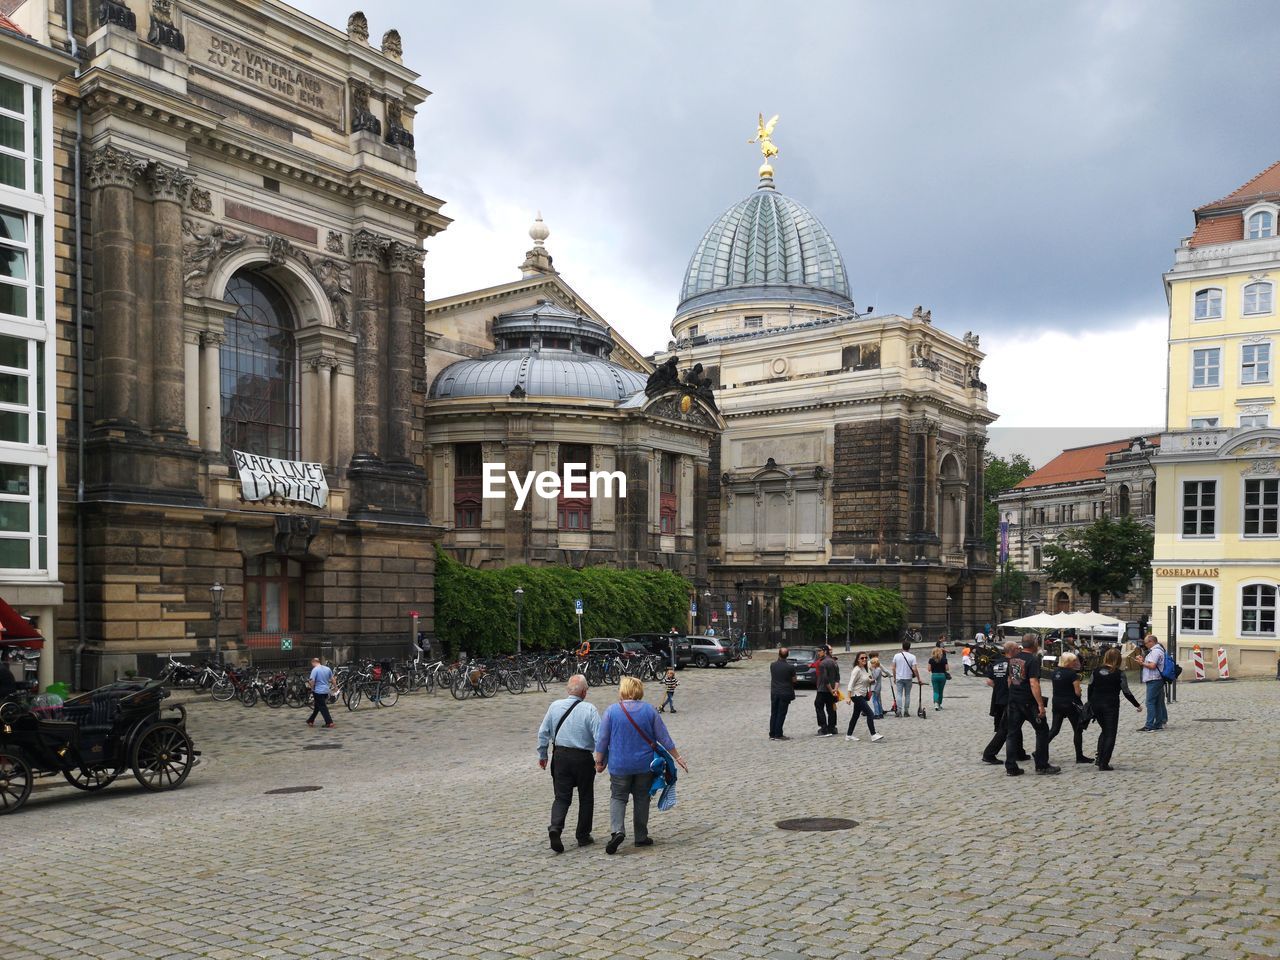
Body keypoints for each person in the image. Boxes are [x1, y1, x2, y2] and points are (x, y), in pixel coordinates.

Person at [594, 677, 686, 854]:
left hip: (619, 765)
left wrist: (599, 761)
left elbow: (602, 739)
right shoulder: (649, 710)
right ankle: (641, 837)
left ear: (623, 690)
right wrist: (678, 757)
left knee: (618, 797)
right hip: (644, 765)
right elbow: (663, 737)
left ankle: (617, 831)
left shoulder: (612, 711)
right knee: (642, 798)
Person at [537, 675, 601, 852]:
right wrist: (601, 759)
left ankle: (556, 827)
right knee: (586, 797)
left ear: (567, 690)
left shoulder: (554, 706)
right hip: (583, 758)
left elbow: (543, 732)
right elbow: (600, 737)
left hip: (560, 756)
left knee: (561, 797)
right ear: (584, 692)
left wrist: (542, 755)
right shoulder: (590, 710)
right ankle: (583, 836)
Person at [1004, 634, 1059, 776]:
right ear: (1034, 644)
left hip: (1014, 700)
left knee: (1012, 733)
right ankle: (1041, 765)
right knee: (1042, 730)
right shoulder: (1033, 660)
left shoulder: (1013, 659)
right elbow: (1034, 683)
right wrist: (1040, 704)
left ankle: (1011, 766)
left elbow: (1011, 680)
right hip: (1028, 701)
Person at [1087, 647, 1143, 770]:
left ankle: (1099, 758)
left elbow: (1090, 687)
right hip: (1110, 706)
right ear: (1118, 660)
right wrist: (1137, 705)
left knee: (1104, 731)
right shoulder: (1119, 674)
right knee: (1110, 734)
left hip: (1096, 704)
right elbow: (1126, 692)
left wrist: (1090, 702)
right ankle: (1104, 763)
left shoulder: (1096, 671)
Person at [982, 640, 1030, 765]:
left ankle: (1020, 752)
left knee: (1015, 726)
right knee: (1005, 729)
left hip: (999, 698)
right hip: (1012, 699)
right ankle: (989, 753)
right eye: (1018, 649)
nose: (1019, 651)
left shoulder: (997, 663)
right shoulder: (1015, 664)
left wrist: (998, 688)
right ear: (1013, 650)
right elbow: (1015, 682)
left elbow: (988, 681)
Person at [1046, 652, 1092, 764]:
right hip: (1070, 704)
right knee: (1077, 729)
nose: (1075, 663)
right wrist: (1079, 692)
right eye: (1074, 661)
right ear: (1068, 662)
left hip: (1057, 702)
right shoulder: (1072, 674)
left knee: (1054, 729)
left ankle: (1039, 749)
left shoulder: (1055, 672)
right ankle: (1079, 756)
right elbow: (1077, 692)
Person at [844, 652, 885, 742]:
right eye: (862, 658)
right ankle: (873, 734)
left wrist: (871, 681)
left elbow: (864, 680)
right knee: (870, 713)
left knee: (855, 715)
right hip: (856, 695)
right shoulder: (856, 670)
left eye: (865, 658)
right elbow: (851, 683)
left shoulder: (864, 669)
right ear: (858, 660)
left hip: (861, 695)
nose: (864, 659)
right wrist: (848, 697)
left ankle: (848, 735)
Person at [1138, 634, 1169, 732]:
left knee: (1150, 702)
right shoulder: (1159, 650)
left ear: (1151, 642)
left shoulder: (1155, 651)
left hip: (1154, 679)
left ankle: (1149, 725)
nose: (1145, 645)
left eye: (1146, 643)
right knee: (1158, 702)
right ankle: (1158, 724)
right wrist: (1143, 661)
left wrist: (1142, 663)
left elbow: (1152, 666)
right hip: (1157, 679)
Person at [769, 647, 797, 740]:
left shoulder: (772, 665)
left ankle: (772, 734)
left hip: (774, 692)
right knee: (781, 714)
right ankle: (778, 734)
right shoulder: (790, 667)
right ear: (787, 655)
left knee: (774, 713)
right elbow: (794, 680)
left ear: (778, 654)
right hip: (785, 692)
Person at [813, 645, 840, 736]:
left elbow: (825, 679)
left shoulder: (822, 663)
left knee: (819, 706)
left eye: (819, 651)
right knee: (831, 709)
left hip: (823, 690)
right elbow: (837, 677)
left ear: (825, 651)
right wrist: (835, 689)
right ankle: (832, 728)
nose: (818, 653)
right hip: (832, 690)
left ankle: (824, 728)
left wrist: (831, 689)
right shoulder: (834, 662)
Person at [892, 641, 921, 717]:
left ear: (902, 647)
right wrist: (918, 679)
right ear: (909, 647)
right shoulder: (912, 657)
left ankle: (899, 711)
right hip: (908, 678)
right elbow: (914, 669)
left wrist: (895, 677)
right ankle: (906, 711)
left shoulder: (896, 656)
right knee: (907, 695)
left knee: (899, 694)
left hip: (899, 677)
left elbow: (893, 668)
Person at [305, 657, 335, 728]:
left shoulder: (315, 670)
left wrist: (312, 688)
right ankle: (310, 720)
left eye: (312, 664)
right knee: (317, 706)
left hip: (318, 691)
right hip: (326, 690)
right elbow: (333, 679)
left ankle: (329, 722)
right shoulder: (327, 669)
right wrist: (335, 687)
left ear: (313, 662)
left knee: (322, 707)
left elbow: (312, 681)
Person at [928, 644, 949, 709]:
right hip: (942, 676)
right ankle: (939, 704)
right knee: (941, 690)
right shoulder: (944, 659)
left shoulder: (931, 660)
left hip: (934, 675)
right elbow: (947, 669)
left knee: (935, 690)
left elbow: (929, 669)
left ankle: (936, 703)